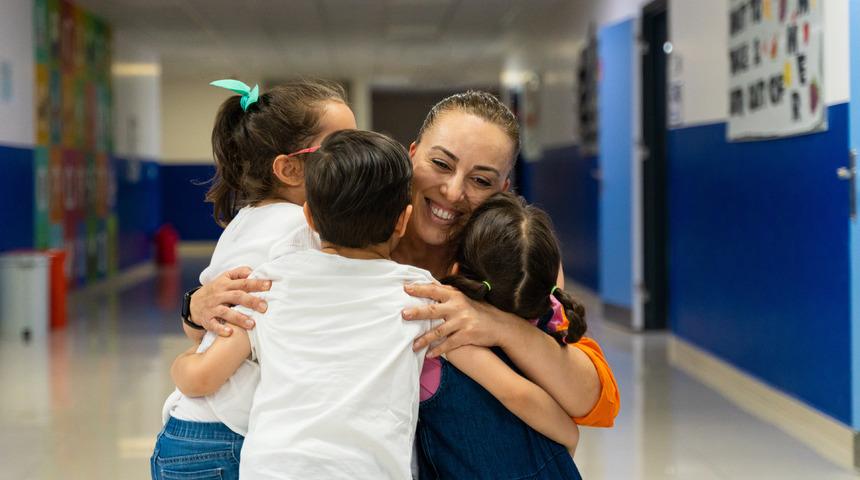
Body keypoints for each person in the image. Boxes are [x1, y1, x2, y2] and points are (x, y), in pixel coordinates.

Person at [185, 91, 619, 468]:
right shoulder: (335, 236)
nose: (453, 191)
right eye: (440, 163)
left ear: (504, 188)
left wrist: (499, 326)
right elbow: (229, 333)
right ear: (412, 154)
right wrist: (196, 307)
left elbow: (588, 398)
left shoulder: (512, 260)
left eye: (481, 180)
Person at [150, 78, 356, 480]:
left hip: (192, 430)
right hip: (224, 437)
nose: (356, 158)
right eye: (341, 147)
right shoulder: (302, 229)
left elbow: (206, 324)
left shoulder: (247, 221)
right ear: (290, 168)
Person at [418, 191, 588, 478]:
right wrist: (569, 442)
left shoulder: (456, 338)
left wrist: (569, 435)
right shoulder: (552, 314)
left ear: (459, 268)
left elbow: (517, 394)